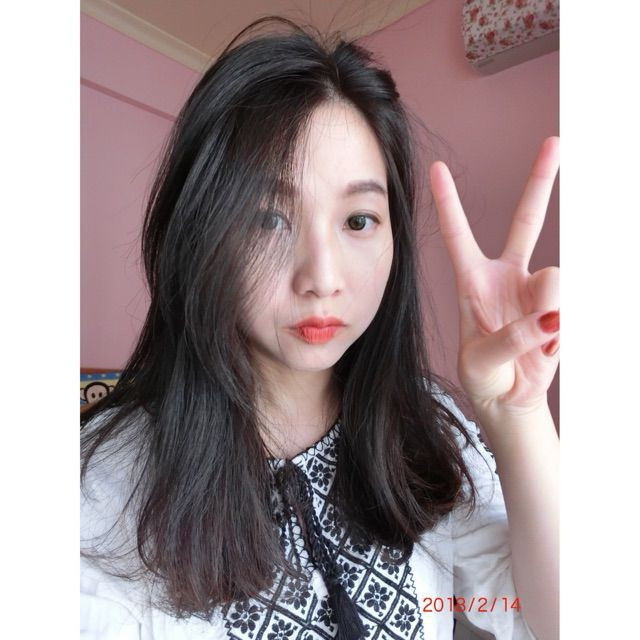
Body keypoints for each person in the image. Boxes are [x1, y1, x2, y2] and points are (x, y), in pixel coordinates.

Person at [80, 17, 559, 640]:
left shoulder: (425, 432)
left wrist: (517, 413)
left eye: (358, 221)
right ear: (200, 233)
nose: (323, 279)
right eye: (267, 219)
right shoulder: (104, 490)